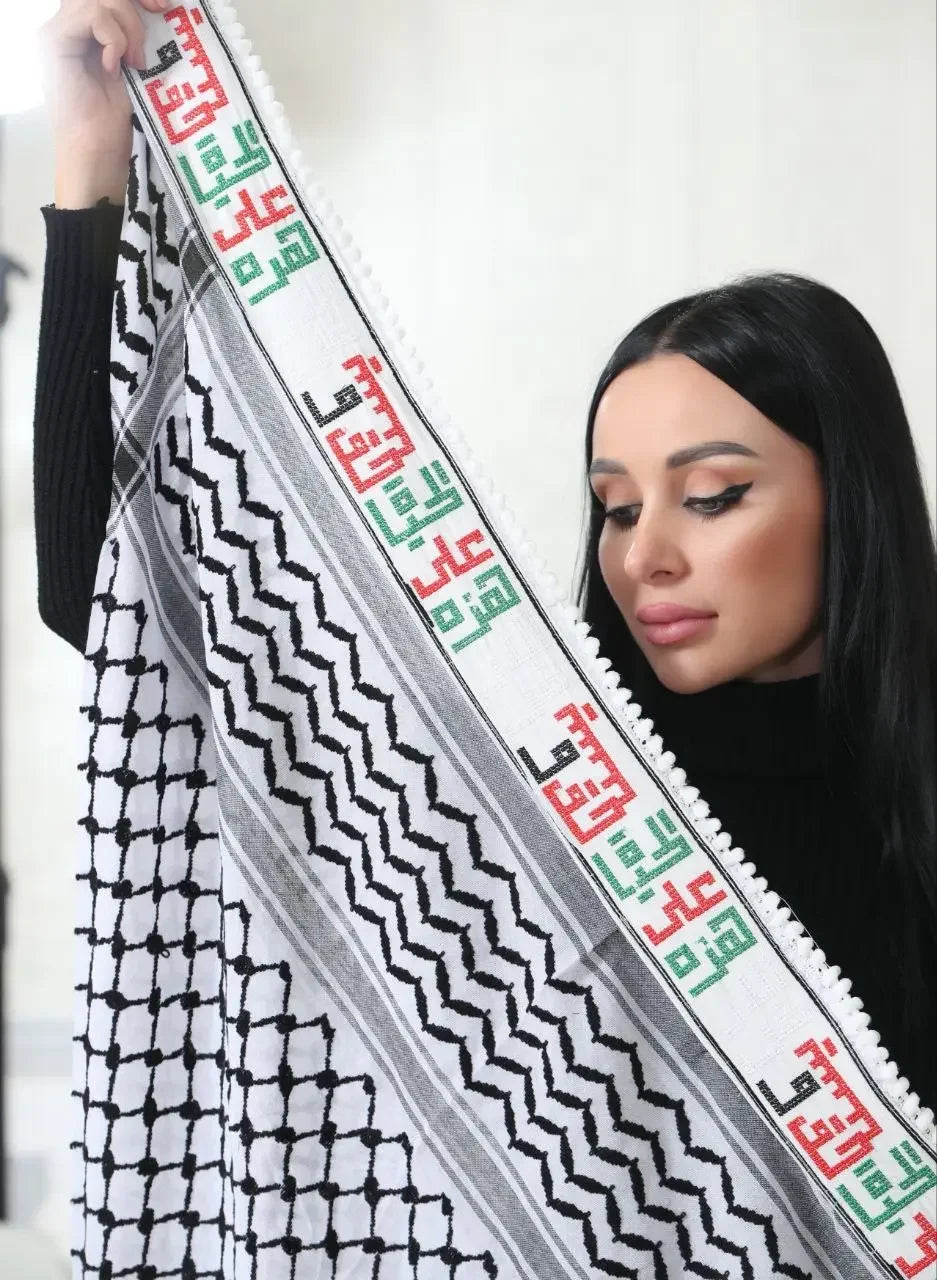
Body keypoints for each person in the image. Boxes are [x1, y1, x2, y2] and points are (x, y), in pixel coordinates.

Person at [34, 0, 936, 1112]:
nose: (641, 553)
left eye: (711, 496)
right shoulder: (542, 781)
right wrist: (89, 151)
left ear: (848, 496)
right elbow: (115, 596)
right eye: (611, 507)